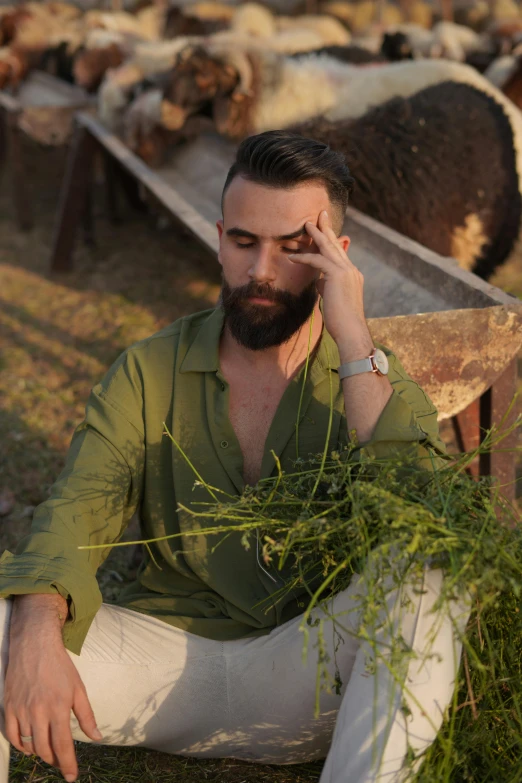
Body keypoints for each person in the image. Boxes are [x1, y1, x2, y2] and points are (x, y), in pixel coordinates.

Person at [0, 130, 469, 783]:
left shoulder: (370, 376)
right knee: (6, 620)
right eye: (244, 242)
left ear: (339, 256)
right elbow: (76, 508)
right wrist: (30, 624)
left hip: (310, 678)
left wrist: (356, 342)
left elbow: (426, 514)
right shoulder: (147, 368)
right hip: (158, 663)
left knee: (430, 578)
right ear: (220, 237)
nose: (261, 271)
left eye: (294, 247)